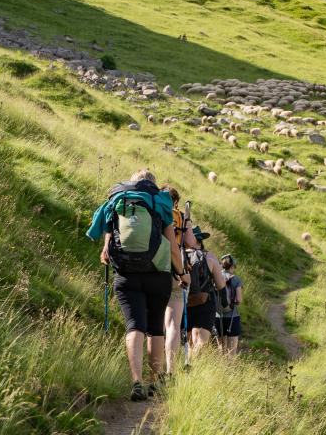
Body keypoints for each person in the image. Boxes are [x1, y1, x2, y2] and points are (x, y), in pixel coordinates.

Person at [87, 169, 182, 402]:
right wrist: (182, 272)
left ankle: (136, 381)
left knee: (134, 325)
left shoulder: (118, 200)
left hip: (126, 275)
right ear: (154, 184)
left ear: (132, 182)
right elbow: (171, 246)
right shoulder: (160, 201)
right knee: (155, 327)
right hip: (157, 273)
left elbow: (105, 250)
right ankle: (155, 381)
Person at [161, 185, 196, 376]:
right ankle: (170, 369)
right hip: (176, 270)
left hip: (154, 269)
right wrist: (187, 222)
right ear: (176, 200)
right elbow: (190, 243)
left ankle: (154, 369)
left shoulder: (153, 210)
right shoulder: (181, 216)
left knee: (155, 322)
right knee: (173, 323)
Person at [186, 226, 225, 354]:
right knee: (201, 341)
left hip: (184, 301)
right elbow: (220, 285)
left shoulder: (179, 256)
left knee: (189, 341)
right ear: (200, 240)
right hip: (205, 302)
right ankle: (194, 367)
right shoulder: (209, 257)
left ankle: (186, 366)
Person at [215, 254, 243, 355]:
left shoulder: (216, 277)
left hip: (218, 316)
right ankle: (230, 368)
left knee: (221, 347)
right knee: (232, 350)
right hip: (232, 317)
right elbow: (239, 300)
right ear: (232, 266)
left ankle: (221, 369)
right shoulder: (236, 279)